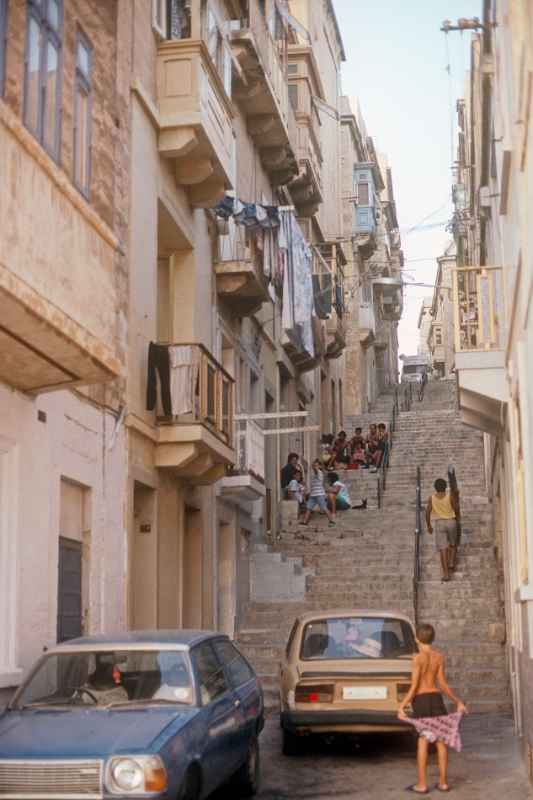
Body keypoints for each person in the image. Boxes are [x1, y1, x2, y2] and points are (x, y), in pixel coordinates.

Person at [397, 623, 467, 794]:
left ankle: (421, 785)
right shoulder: (439, 657)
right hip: (436, 700)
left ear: (416, 639)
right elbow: (442, 684)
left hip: (421, 701)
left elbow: (414, 687)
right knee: (441, 741)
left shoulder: (417, 658)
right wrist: (458, 701)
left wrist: (402, 705)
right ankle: (443, 783)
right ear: (433, 639)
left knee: (423, 742)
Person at [426, 478, 460, 582]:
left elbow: (427, 512)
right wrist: (458, 519)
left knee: (443, 549)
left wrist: (429, 526)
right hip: (451, 521)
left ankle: (446, 574)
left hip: (439, 523)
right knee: (453, 544)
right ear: (445, 487)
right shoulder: (450, 496)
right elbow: (456, 508)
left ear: (435, 488)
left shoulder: (431, 498)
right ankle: (452, 562)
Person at [300, 459, 335, 526]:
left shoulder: (319, 472)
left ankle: (331, 521)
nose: (314, 466)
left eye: (316, 465)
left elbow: (316, 470)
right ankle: (305, 522)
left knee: (324, 508)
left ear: (319, 466)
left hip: (319, 494)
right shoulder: (313, 473)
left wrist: (315, 467)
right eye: (314, 465)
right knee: (308, 508)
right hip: (313, 494)